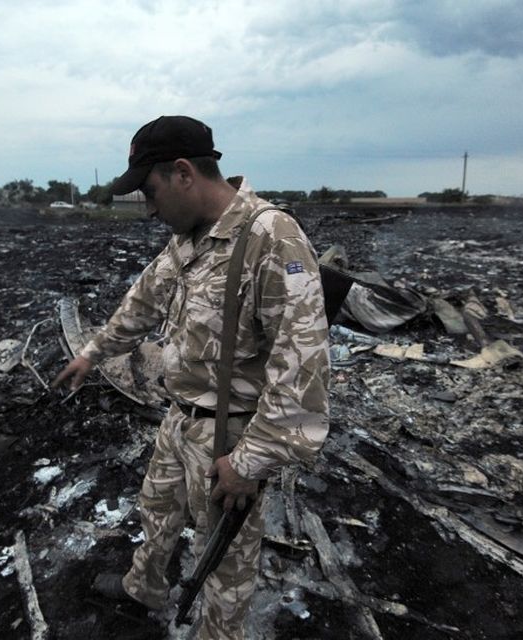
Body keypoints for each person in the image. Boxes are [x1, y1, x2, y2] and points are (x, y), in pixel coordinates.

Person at [53, 115, 330, 639]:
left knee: (225, 564)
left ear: (184, 173)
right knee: (156, 510)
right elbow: (141, 302)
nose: (151, 208)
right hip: (180, 419)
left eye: (151, 192)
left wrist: (248, 463)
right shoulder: (188, 239)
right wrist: (92, 353)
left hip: (232, 437)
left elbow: (303, 371)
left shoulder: (270, 237)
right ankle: (145, 588)